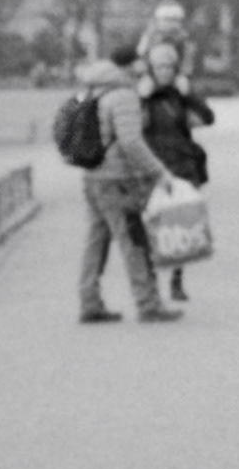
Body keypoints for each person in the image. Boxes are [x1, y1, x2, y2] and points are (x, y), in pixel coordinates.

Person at [78, 45, 182, 325]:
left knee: (95, 242)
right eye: (139, 64)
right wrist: (160, 172)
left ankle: (89, 302)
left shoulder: (93, 87)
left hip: (92, 176)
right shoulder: (123, 93)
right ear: (131, 66)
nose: (143, 68)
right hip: (117, 179)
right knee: (134, 241)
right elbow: (131, 142)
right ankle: (148, 303)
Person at [138, 40, 214, 303]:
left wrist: (188, 94)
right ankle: (150, 284)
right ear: (151, 68)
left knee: (181, 223)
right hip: (153, 165)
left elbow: (208, 117)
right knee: (152, 223)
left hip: (181, 164)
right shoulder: (142, 94)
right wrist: (141, 96)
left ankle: (176, 281)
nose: (165, 71)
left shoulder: (180, 94)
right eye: (159, 66)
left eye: (169, 66)